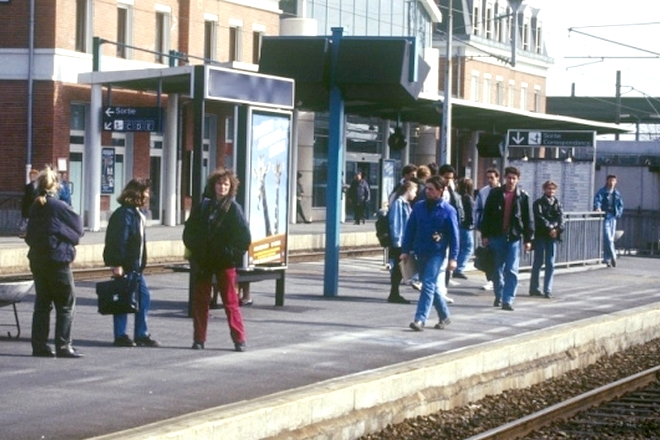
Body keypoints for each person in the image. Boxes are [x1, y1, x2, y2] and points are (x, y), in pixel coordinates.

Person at [183, 168, 251, 352]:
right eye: (219, 183)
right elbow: (189, 232)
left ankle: (239, 340)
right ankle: (199, 339)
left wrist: (230, 254)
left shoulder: (234, 209)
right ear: (213, 185)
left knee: (230, 301)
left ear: (231, 187)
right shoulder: (203, 207)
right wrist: (197, 251)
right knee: (200, 301)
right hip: (204, 260)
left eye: (226, 184)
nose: (222, 187)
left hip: (224, 261)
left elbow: (244, 238)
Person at [25, 166, 84, 358]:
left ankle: (39, 345)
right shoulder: (60, 207)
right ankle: (63, 345)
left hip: (38, 260)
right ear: (56, 186)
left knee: (42, 304)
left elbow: (30, 235)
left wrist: (58, 231)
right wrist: (65, 234)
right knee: (66, 304)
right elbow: (78, 230)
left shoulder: (36, 206)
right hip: (58, 260)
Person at [103, 179, 160, 348]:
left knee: (143, 298)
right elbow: (118, 241)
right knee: (123, 299)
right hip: (126, 265)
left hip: (135, 266)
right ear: (138, 193)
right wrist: (116, 263)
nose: (148, 195)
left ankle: (141, 334)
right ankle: (121, 335)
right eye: (146, 192)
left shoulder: (136, 213)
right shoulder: (123, 214)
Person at [401, 175, 459, 331]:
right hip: (420, 252)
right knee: (431, 286)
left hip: (437, 253)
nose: (427, 191)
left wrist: (453, 258)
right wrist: (405, 251)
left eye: (431, 189)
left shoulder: (448, 211)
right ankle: (445, 316)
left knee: (427, 284)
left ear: (440, 191)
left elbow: (454, 237)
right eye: (426, 188)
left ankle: (420, 319)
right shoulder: (419, 207)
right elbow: (410, 229)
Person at [481, 166, 534, 311]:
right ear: (504, 178)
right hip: (496, 236)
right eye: (509, 178)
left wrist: (529, 239)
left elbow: (528, 219)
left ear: (518, 180)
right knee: (496, 269)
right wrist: (484, 235)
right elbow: (486, 215)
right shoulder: (495, 194)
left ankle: (508, 299)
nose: (511, 181)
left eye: (514, 178)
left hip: (514, 237)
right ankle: (499, 295)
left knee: (511, 270)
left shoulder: (522, 197)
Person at [529, 180, 564, 298]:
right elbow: (539, 218)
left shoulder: (558, 204)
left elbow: (561, 219)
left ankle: (547, 289)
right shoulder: (538, 203)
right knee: (538, 262)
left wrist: (557, 229)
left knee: (550, 263)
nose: (551, 191)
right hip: (541, 235)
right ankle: (534, 288)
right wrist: (550, 228)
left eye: (553, 189)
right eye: (549, 189)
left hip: (553, 237)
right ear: (544, 189)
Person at [387, 180, 418, 304]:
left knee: (400, 269)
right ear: (408, 190)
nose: (415, 195)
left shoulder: (404, 204)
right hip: (399, 241)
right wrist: (398, 242)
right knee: (398, 268)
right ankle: (394, 293)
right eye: (414, 191)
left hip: (403, 241)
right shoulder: (399, 203)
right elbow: (395, 223)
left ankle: (394, 293)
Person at [475, 168, 501, 291]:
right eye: (488, 177)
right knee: (488, 254)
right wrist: (478, 225)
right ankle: (490, 279)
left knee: (500, 255)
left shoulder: (502, 191)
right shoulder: (483, 192)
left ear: (498, 178)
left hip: (500, 228)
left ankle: (499, 278)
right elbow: (478, 208)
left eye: (492, 177)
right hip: (487, 226)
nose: (490, 180)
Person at [593, 174, 624, 267]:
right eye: (610, 180)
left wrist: (618, 213)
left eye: (613, 181)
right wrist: (598, 208)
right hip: (605, 216)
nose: (611, 183)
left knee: (610, 238)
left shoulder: (617, 193)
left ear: (616, 182)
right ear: (607, 181)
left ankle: (607, 259)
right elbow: (597, 200)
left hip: (613, 216)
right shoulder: (602, 191)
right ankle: (613, 256)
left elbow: (620, 205)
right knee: (608, 237)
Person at [453, 177, 475, 279]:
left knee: (460, 247)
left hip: (458, 225)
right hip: (466, 226)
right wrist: (472, 224)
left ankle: (456, 267)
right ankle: (459, 268)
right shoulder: (468, 198)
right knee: (468, 248)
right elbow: (471, 213)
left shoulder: (457, 196)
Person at [18, 168, 39, 238]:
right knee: (28, 220)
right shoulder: (35, 186)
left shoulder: (31, 186)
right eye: (31, 176)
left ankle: (26, 232)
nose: (31, 177)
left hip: (30, 206)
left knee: (27, 220)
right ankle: (27, 232)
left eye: (33, 176)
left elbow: (30, 196)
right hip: (31, 206)